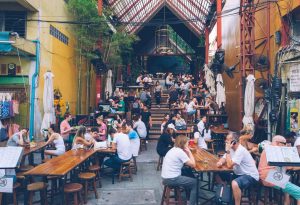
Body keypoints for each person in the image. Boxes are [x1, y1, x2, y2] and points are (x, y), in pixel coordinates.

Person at [216, 131, 259, 205]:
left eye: (227, 140)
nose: (225, 141)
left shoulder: (240, 150)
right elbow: (224, 158)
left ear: (234, 142)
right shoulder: (232, 149)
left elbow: (229, 165)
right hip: (239, 174)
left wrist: (228, 151)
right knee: (217, 173)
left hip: (250, 175)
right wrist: (220, 162)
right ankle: (226, 195)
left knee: (235, 183)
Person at [259, 135, 300, 205]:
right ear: (278, 143)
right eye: (284, 143)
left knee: (289, 186)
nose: (285, 145)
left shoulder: (268, 148)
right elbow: (290, 167)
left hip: (266, 176)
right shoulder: (276, 150)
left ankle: (286, 202)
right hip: (270, 176)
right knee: (299, 192)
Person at [161, 135, 197, 205]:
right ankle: (191, 202)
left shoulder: (173, 149)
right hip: (172, 179)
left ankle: (188, 198)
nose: (188, 144)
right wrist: (189, 152)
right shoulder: (180, 152)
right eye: (187, 143)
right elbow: (193, 164)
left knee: (187, 173)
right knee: (195, 183)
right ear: (183, 144)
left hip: (165, 177)